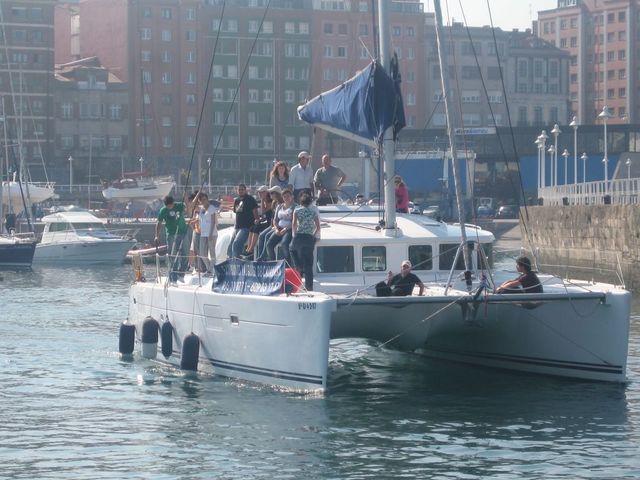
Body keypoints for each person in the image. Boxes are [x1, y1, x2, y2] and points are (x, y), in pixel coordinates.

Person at [291, 192, 321, 291]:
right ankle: (309, 288)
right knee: (309, 264)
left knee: (292, 250)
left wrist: (294, 234)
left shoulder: (297, 210)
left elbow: (294, 224)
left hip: (299, 236)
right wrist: (313, 234)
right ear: (309, 202)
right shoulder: (313, 212)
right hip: (309, 238)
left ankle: (298, 266)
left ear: (301, 202)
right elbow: (318, 227)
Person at [155, 194, 189, 281]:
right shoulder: (163, 210)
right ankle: (173, 274)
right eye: (168, 206)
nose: (169, 207)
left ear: (173, 203)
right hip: (171, 234)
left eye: (171, 205)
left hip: (183, 232)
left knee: (185, 253)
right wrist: (157, 236)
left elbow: (188, 210)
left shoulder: (179, 205)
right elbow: (159, 223)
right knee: (172, 254)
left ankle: (181, 274)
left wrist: (185, 200)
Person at [229, 183, 259, 258]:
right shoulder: (237, 200)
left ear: (246, 190)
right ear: (237, 191)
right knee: (230, 248)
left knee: (236, 244)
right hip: (237, 227)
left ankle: (236, 263)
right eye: (239, 190)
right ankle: (231, 262)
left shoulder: (250, 199)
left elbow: (255, 212)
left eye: (242, 189)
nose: (241, 191)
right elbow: (237, 213)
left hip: (246, 227)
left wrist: (257, 221)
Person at [266, 188, 295, 264]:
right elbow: (275, 220)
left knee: (284, 244)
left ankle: (287, 265)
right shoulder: (279, 206)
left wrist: (285, 229)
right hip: (279, 228)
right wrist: (276, 229)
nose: (286, 198)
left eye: (288, 196)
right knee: (269, 244)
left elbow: (294, 222)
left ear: (292, 197)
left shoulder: (295, 207)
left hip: (289, 229)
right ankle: (273, 264)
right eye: (284, 196)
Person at [197, 193, 218, 274]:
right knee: (202, 253)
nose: (203, 201)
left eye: (205, 199)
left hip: (211, 234)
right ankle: (210, 268)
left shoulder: (211, 208)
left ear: (207, 199)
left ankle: (210, 270)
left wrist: (210, 234)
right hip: (203, 233)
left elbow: (213, 222)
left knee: (212, 252)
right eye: (201, 200)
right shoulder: (201, 209)